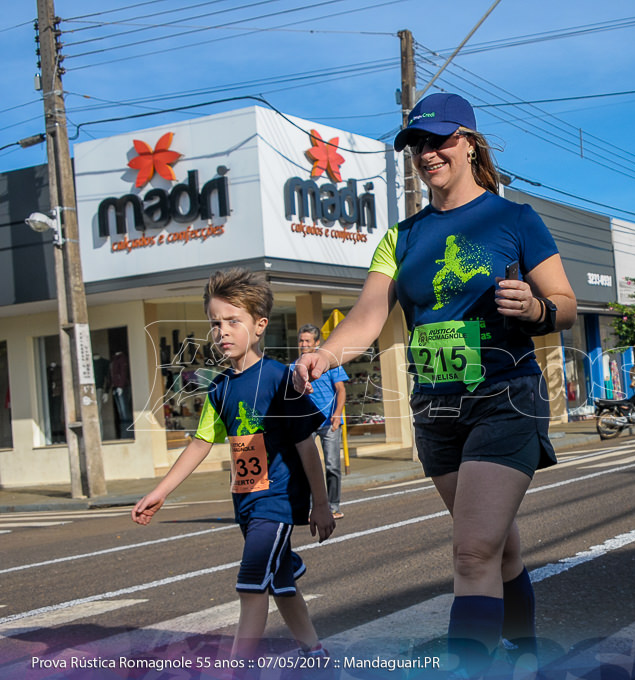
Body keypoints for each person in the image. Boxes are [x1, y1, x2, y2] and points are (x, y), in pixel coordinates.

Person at [292, 93, 576, 675]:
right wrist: (325, 353)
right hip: (437, 410)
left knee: (472, 551)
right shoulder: (402, 236)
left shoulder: (513, 219)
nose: (428, 153)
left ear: (470, 142)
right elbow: (369, 317)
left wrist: (536, 308)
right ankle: (525, 650)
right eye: (419, 144)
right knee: (501, 548)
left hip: (505, 400)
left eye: (441, 139)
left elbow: (567, 305)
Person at [132, 269, 335, 660]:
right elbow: (200, 443)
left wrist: (321, 504)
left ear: (259, 326)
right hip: (245, 502)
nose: (222, 331)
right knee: (280, 583)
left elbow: (307, 445)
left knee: (250, 585)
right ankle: (315, 654)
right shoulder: (219, 387)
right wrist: (159, 493)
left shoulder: (282, 379)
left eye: (232, 321)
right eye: (215, 323)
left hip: (276, 502)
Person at [295, 323, 348, 519]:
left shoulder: (330, 363)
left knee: (332, 465)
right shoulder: (295, 367)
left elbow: (341, 390)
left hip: (328, 422)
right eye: (301, 340)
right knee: (306, 465)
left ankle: (333, 506)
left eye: (307, 340)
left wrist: (337, 414)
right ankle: (312, 507)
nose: (303, 344)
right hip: (306, 425)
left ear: (317, 343)